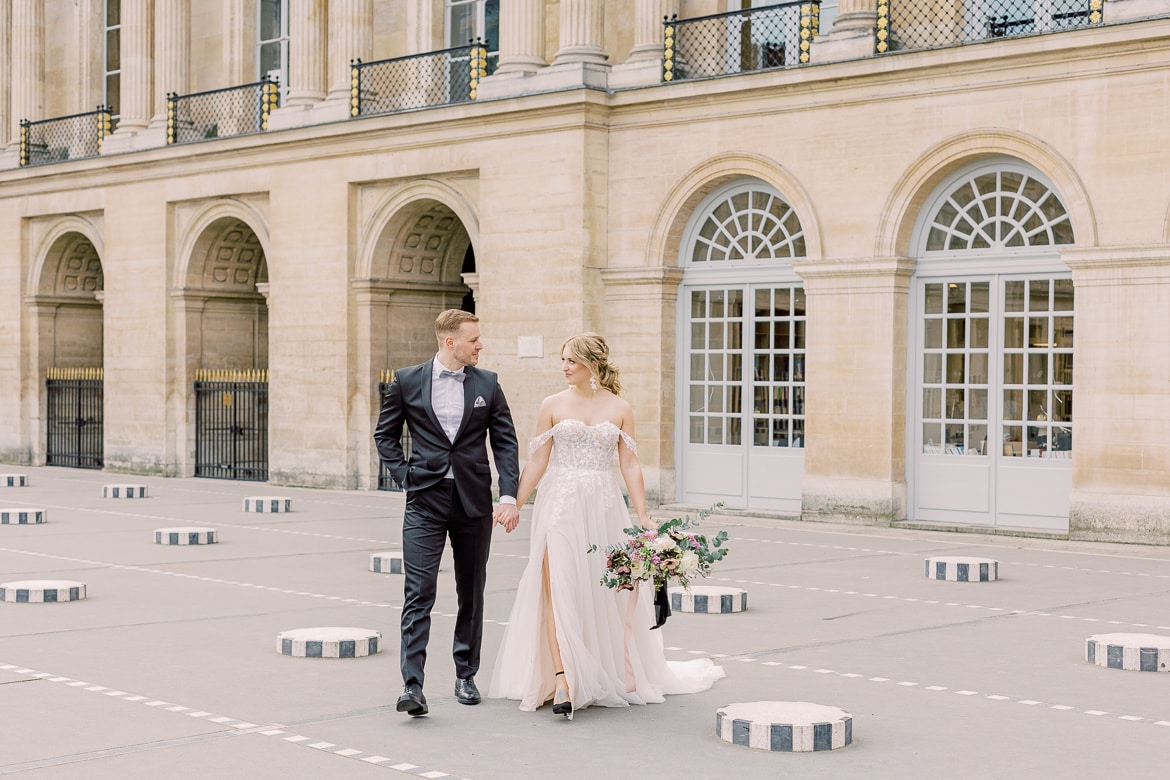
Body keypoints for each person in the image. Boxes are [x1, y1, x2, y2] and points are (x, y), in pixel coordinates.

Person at [488, 333, 723, 719]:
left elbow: (629, 463)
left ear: (592, 365)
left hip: (603, 506)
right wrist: (513, 501)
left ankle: (602, 668)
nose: (564, 367)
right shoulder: (551, 404)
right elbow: (537, 462)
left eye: (571, 361)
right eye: (563, 360)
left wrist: (643, 515)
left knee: (599, 591)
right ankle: (563, 679)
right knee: (558, 589)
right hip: (559, 505)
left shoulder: (620, 408)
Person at [374, 309, 520, 717]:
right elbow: (385, 435)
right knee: (418, 592)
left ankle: (465, 673)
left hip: (474, 501)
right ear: (449, 342)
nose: (481, 345)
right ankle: (412, 685)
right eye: (474, 339)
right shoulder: (406, 381)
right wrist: (405, 475)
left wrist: (508, 495)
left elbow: (505, 442)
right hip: (425, 499)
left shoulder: (488, 383)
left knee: (470, 590)